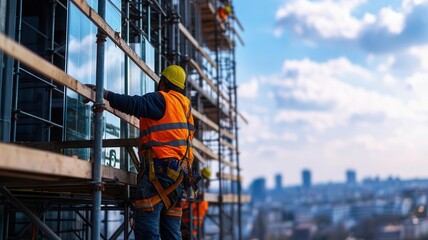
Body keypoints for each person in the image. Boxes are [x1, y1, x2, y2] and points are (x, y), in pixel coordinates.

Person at [90, 65, 195, 239]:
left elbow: (134, 104)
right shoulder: (185, 107)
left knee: (147, 231)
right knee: (171, 232)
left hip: (158, 173)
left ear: (163, 82)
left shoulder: (161, 100)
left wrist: (106, 94)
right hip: (179, 179)